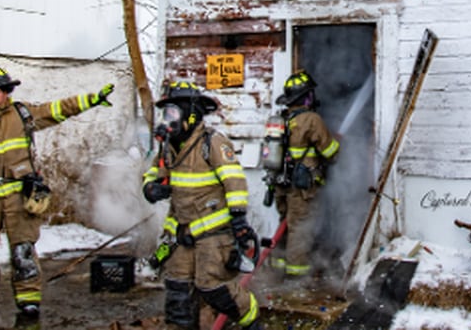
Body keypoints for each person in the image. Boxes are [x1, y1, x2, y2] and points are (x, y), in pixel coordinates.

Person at [0, 65, 114, 323]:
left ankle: (28, 302)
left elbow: (57, 110)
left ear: (6, 92)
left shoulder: (21, 114)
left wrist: (91, 100)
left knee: (23, 252)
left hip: (17, 198)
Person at [142, 80, 264, 330]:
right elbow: (152, 173)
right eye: (167, 113)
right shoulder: (168, 147)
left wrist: (239, 219)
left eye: (173, 112)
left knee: (213, 287)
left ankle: (251, 319)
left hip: (213, 233)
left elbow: (234, 181)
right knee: (177, 290)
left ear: (192, 114)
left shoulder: (213, 143)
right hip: (180, 232)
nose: (168, 119)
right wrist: (150, 187)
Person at [273, 70, 340, 282]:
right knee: (300, 228)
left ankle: (277, 268)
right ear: (306, 97)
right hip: (302, 188)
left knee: (285, 223)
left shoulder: (281, 119)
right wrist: (337, 142)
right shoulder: (311, 119)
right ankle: (296, 278)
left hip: (280, 184)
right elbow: (330, 152)